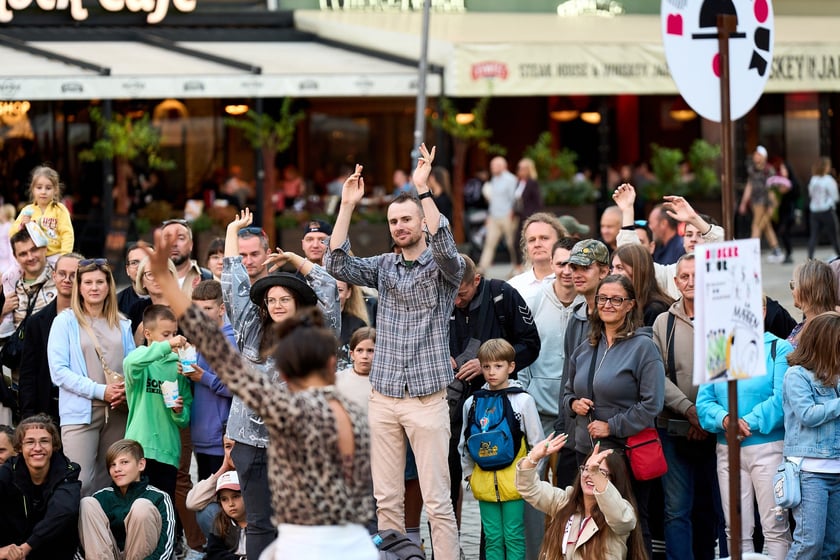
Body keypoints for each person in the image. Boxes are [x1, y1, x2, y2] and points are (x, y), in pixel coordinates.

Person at [140, 230, 377, 558]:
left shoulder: (291, 410)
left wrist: (168, 284)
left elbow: (214, 348)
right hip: (351, 546)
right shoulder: (350, 411)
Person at [325, 144, 463, 559]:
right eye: (394, 221)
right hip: (383, 396)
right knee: (385, 500)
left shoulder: (444, 268)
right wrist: (347, 205)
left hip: (427, 398)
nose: (400, 226)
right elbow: (335, 263)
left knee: (437, 502)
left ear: (421, 222)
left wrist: (422, 189)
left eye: (407, 220)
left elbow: (445, 246)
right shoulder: (384, 266)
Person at [222, 208, 340, 560]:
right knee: (259, 523)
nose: (275, 305)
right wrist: (232, 230)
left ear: (297, 303)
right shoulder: (251, 331)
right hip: (249, 443)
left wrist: (298, 262)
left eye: (283, 299)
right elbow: (232, 284)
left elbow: (330, 290)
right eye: (271, 300)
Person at [562, 274, 665, 556]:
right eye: (603, 298)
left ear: (630, 305)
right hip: (588, 451)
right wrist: (573, 403)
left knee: (630, 524)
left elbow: (652, 404)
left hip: (625, 455)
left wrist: (612, 426)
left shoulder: (644, 348)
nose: (608, 304)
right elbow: (568, 390)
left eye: (616, 299)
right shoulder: (586, 348)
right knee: (596, 524)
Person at [448, 253, 541, 556]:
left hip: (503, 404)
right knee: (452, 489)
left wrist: (489, 364)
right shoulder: (443, 295)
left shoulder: (502, 295)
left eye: (461, 293)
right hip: (455, 404)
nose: (456, 301)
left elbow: (531, 344)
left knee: (509, 530)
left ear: (477, 280)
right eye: (451, 294)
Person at [696, 295, 792, 559]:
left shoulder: (779, 348)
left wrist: (747, 422)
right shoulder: (718, 349)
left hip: (769, 448)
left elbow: (782, 399)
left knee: (775, 527)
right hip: (727, 450)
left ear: (761, 312)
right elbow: (704, 402)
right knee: (735, 529)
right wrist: (726, 419)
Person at [652, 254, 724, 560]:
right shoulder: (663, 321)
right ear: (676, 281)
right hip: (674, 429)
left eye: (697, 275)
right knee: (676, 509)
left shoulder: (724, 317)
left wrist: (707, 416)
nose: (691, 281)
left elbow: (727, 373)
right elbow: (657, 376)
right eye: (684, 276)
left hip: (720, 428)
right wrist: (689, 411)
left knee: (720, 508)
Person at [47, 257, 135, 496]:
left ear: (109, 286)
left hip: (118, 410)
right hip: (80, 412)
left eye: (100, 282)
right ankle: (78, 534)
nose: (94, 287)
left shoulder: (123, 323)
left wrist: (127, 390)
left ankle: (104, 533)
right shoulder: (64, 322)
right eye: (88, 282)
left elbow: (133, 366)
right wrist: (100, 390)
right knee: (80, 481)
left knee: (111, 482)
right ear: (79, 287)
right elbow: (59, 372)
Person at [458, 338, 543, 560]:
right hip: (484, 483)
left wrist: (531, 477)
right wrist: (469, 475)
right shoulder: (473, 403)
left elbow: (537, 443)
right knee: (493, 537)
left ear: (511, 367)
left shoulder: (523, 401)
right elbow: (464, 443)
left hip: (515, 483)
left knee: (514, 536)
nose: (491, 372)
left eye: (498, 366)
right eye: (486, 367)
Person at [515, 434, 647, 560]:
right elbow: (528, 488)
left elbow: (621, 520)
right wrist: (533, 457)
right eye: (587, 469)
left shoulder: (622, 512)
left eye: (601, 472)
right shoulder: (564, 501)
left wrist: (595, 474)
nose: (590, 475)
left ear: (615, 481)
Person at [519, 238, 584, 488]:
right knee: (533, 475)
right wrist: (523, 393)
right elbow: (522, 349)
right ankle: (534, 530)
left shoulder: (590, 302)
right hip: (538, 405)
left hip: (577, 406)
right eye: (561, 264)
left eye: (573, 264)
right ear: (552, 264)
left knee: (573, 479)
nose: (567, 271)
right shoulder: (533, 299)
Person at [781, 311, 840, 560]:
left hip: (836, 469)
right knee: (809, 544)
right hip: (809, 472)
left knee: (832, 546)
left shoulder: (836, 375)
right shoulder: (797, 375)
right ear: (826, 343)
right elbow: (807, 414)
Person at [122, 304, 192, 504]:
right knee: (134, 507)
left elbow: (185, 416)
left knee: (162, 508)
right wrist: (167, 346)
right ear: (147, 333)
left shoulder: (178, 366)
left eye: (174, 334)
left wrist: (179, 411)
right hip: (138, 447)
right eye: (166, 334)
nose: (172, 339)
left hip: (167, 450)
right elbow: (130, 364)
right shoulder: (139, 359)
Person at [613, 184, 723, 298]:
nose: (693, 239)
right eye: (689, 235)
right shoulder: (670, 274)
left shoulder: (721, 268)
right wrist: (627, 211)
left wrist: (694, 219)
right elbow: (633, 259)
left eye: (700, 235)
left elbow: (728, 247)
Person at [0, 414, 81, 560]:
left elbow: (64, 510)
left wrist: (26, 547)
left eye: (44, 441)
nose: (37, 448)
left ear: (54, 445)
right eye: (30, 442)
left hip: (54, 551)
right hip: (12, 551)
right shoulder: (9, 469)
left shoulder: (68, 470)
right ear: (19, 447)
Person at [79, 439, 176, 560]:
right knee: (86, 503)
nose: (117, 469)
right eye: (112, 464)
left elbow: (167, 546)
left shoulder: (159, 497)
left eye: (124, 462)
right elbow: (81, 545)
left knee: (142, 506)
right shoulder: (101, 497)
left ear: (141, 464)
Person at [19, 252, 82, 424]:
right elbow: (28, 374)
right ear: (54, 276)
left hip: (84, 406)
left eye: (74, 275)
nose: (67, 279)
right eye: (62, 273)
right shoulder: (36, 322)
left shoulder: (95, 319)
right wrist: (29, 417)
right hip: (46, 408)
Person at [188, 280, 235, 480]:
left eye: (208, 308)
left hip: (220, 436)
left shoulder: (230, 340)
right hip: (200, 434)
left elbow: (236, 386)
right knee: (203, 495)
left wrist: (204, 377)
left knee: (221, 499)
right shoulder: (197, 338)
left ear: (221, 309)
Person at [9, 165, 74, 265]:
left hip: (55, 256)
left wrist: (64, 257)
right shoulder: (27, 210)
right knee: (10, 276)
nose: (43, 191)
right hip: (32, 257)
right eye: (39, 188)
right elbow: (12, 234)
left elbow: (67, 234)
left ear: (55, 190)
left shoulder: (60, 210)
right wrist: (22, 226)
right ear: (33, 189)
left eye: (48, 188)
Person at [186, 436, 237, 541]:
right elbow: (192, 503)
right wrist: (224, 468)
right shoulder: (227, 474)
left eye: (238, 447)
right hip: (233, 535)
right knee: (206, 511)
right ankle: (225, 549)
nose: (233, 453)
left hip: (255, 532)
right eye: (228, 447)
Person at [507, 213, 568, 301]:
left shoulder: (574, 282)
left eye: (544, 238)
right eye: (532, 240)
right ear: (526, 246)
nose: (537, 244)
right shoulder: (513, 287)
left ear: (560, 242)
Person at [611, 244, 675, 326]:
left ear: (638, 271)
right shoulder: (624, 302)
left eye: (620, 268)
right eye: (613, 268)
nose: (613, 274)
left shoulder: (655, 309)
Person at [739, 146, 783, 263]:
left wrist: (771, 205)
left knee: (757, 225)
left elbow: (772, 189)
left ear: (764, 156)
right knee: (765, 225)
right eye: (755, 154)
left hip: (765, 202)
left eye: (758, 154)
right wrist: (744, 202)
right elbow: (749, 186)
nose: (756, 157)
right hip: (755, 202)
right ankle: (776, 249)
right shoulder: (752, 169)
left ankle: (752, 250)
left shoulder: (769, 170)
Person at [478, 156, 519, 273]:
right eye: (491, 166)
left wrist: (512, 212)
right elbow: (494, 200)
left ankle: (517, 268)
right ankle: (482, 267)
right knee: (489, 243)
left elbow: (514, 197)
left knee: (512, 244)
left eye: (494, 166)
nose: (492, 168)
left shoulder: (511, 179)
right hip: (494, 217)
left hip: (507, 216)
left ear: (502, 166)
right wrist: (489, 216)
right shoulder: (494, 179)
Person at [786, 259, 839, 347]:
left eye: (794, 284)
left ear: (807, 288)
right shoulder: (806, 323)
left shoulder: (825, 330)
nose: (792, 291)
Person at [128, 256, 179, 339]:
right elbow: (132, 348)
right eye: (150, 274)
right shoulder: (136, 309)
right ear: (142, 281)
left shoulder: (184, 308)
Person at [160, 219, 213, 297]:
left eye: (180, 238)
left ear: (191, 245)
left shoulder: (207, 277)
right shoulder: (150, 279)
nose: (174, 244)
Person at [206, 471, 248, 560]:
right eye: (224, 499)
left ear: (247, 494)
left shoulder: (260, 520)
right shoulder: (220, 521)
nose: (231, 504)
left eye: (236, 496)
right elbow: (214, 552)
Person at [806, 156, 840, 259]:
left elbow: (810, 194)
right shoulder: (829, 180)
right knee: (834, 236)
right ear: (826, 167)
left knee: (814, 236)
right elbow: (835, 197)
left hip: (814, 211)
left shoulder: (813, 179)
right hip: (827, 211)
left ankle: (809, 258)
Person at [336, 279, 370, 371]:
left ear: (348, 293)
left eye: (339, 290)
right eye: (330, 289)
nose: (334, 295)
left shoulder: (358, 324)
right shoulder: (313, 322)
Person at [117, 243, 149, 315]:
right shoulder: (116, 303)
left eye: (146, 261)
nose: (140, 267)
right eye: (134, 263)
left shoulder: (171, 298)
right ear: (127, 270)